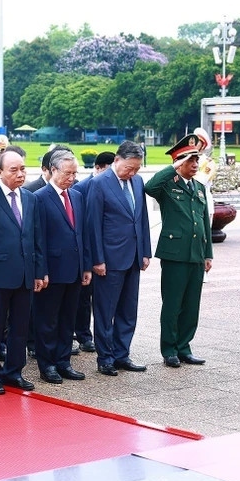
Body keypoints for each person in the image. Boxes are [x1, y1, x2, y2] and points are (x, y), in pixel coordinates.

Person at [0, 150, 45, 395]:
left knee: (20, 327)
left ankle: (14, 371)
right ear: (0, 172)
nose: (20, 174)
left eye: (22, 169)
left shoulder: (30, 198)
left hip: (25, 274)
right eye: (13, 170)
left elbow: (37, 237)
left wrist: (39, 271)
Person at [144, 135, 213, 368]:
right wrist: (173, 167)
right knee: (172, 305)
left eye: (196, 160)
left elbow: (204, 222)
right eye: (190, 160)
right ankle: (169, 350)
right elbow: (149, 187)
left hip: (196, 254)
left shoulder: (199, 187)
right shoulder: (167, 185)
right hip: (175, 255)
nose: (195, 164)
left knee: (191, 305)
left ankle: (184, 348)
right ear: (178, 162)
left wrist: (208, 253)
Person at [85, 140, 151, 376]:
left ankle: (122, 354)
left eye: (136, 168)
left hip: (133, 256)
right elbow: (93, 224)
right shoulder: (99, 183)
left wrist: (145, 251)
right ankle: (105, 358)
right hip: (109, 259)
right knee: (105, 311)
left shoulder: (138, 181)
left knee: (128, 310)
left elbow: (142, 218)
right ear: (117, 160)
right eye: (129, 168)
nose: (132, 173)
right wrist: (97, 259)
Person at [34, 150, 91, 384]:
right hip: (52, 270)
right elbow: (38, 238)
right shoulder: (39, 197)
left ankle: (63, 361)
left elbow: (82, 233)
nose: (72, 177)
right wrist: (41, 270)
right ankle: (47, 365)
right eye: (67, 173)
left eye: (75, 173)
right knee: (48, 320)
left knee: (68, 319)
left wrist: (86, 266)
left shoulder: (76, 196)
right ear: (53, 170)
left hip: (74, 269)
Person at [71, 150, 115, 354]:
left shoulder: (114, 186)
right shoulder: (80, 188)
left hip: (107, 252)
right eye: (108, 170)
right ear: (98, 168)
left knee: (104, 299)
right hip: (86, 252)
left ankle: (104, 336)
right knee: (83, 297)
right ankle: (83, 335)